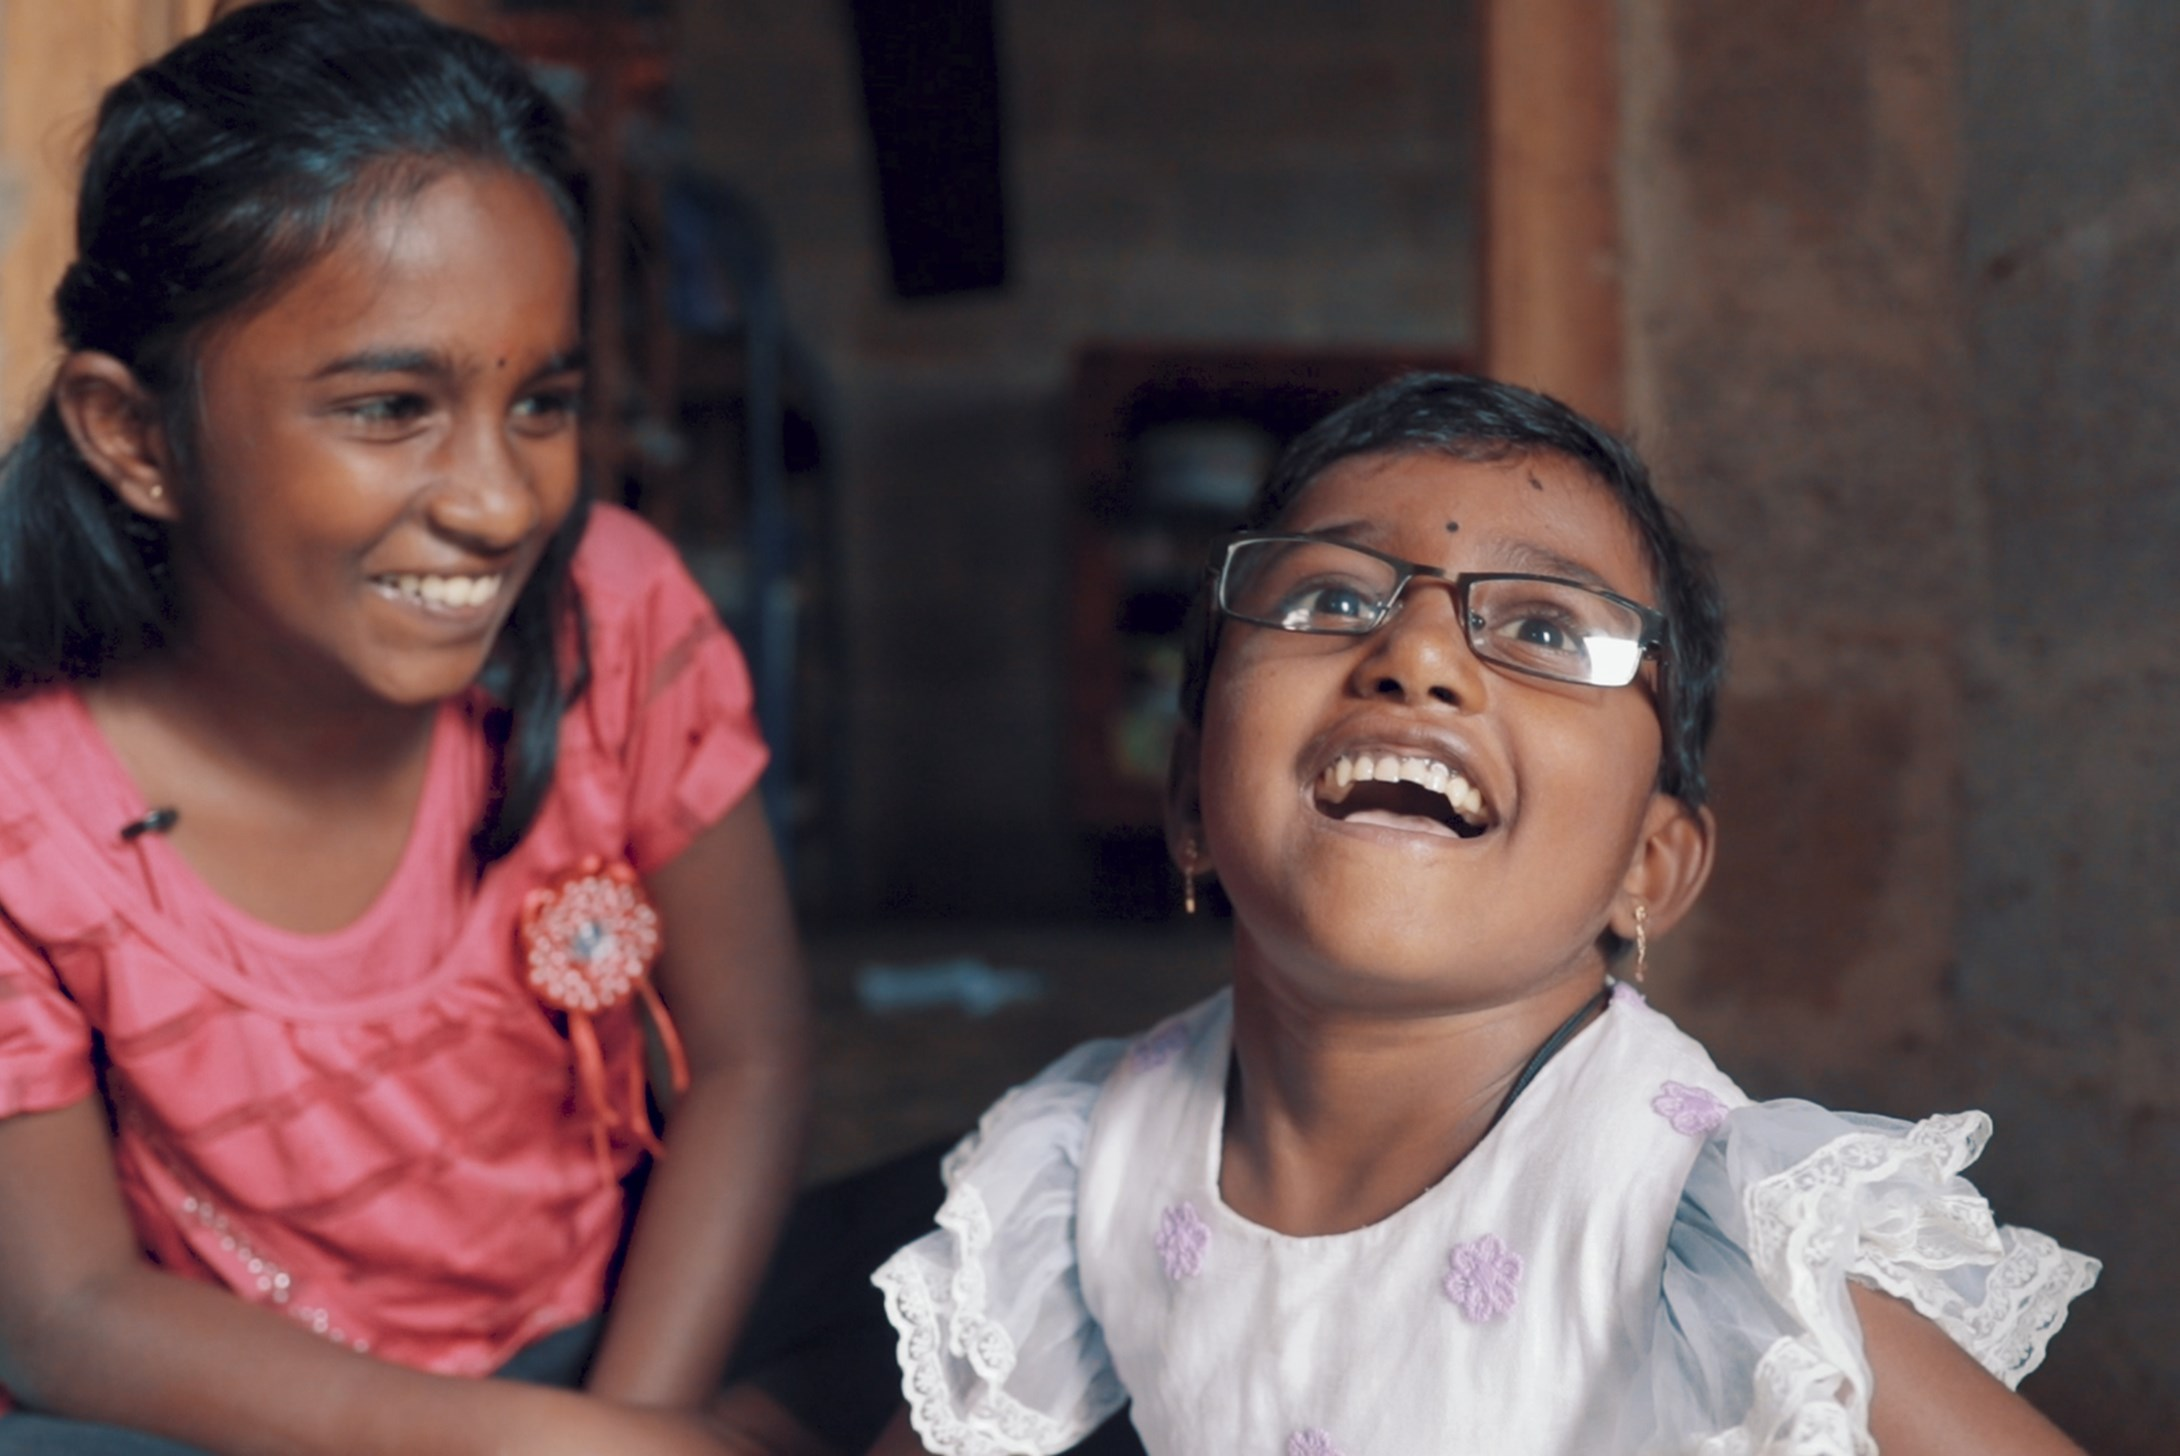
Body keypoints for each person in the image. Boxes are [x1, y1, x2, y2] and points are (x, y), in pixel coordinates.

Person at [864, 374, 2101, 1456]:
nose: (1418, 654)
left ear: (1648, 865)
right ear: (1189, 799)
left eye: (1544, 627)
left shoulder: (1692, 1222)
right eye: (1327, 600)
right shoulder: (1095, 1152)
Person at [0, 3, 818, 1452]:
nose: (502, 503)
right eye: (391, 407)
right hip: (243, 1411)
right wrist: (543, 1451)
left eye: (543, 400)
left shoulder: (614, 619)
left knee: (1033, 1244)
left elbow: (750, 1062)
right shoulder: (25, 804)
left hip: (621, 1344)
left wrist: (629, 1424)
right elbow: (65, 1316)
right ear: (135, 437)